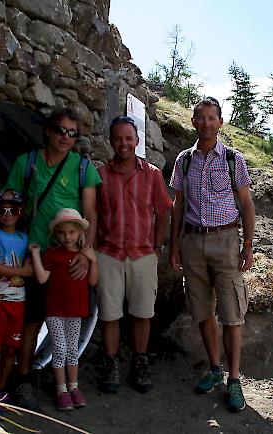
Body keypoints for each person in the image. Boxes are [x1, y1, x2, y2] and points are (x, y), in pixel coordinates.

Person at [3, 108, 101, 409]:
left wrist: (86, 253)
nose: (65, 137)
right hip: (35, 255)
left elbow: (91, 214)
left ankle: (66, 382)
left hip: (69, 259)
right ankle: (23, 378)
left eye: (73, 133)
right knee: (31, 320)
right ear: (48, 130)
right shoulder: (27, 163)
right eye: (61, 130)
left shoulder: (82, 167)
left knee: (69, 319)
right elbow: (9, 202)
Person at [169, 97, 255, 412]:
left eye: (211, 118)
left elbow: (246, 204)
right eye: (200, 118)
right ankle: (215, 369)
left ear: (220, 122)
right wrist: (174, 244)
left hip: (226, 241)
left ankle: (234, 380)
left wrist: (247, 245)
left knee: (232, 314)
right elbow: (178, 204)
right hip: (192, 243)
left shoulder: (234, 159)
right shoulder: (184, 161)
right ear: (193, 122)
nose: (206, 123)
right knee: (202, 311)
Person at [96, 116, 172, 394]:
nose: (123, 143)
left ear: (137, 140)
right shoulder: (101, 175)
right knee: (109, 315)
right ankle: (111, 363)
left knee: (142, 313)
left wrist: (157, 246)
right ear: (111, 141)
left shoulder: (151, 174)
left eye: (128, 138)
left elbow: (163, 211)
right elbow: (95, 215)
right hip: (108, 253)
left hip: (142, 255)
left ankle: (140, 363)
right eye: (118, 138)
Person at [29, 208, 98, 411]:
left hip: (75, 310)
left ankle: (74, 387)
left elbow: (93, 280)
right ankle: (61, 389)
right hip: (55, 310)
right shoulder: (52, 254)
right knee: (59, 349)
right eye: (62, 232)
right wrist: (35, 254)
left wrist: (93, 260)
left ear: (79, 233)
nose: (67, 237)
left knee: (72, 350)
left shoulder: (83, 255)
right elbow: (42, 278)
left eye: (71, 232)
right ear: (56, 235)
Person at [0, 190, 32, 411]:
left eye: (13, 209)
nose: (8, 214)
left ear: (21, 212)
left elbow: (32, 269)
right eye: (2, 210)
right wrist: (20, 271)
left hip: (17, 300)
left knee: (11, 349)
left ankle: (0, 390)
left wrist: (22, 271)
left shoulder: (25, 238)